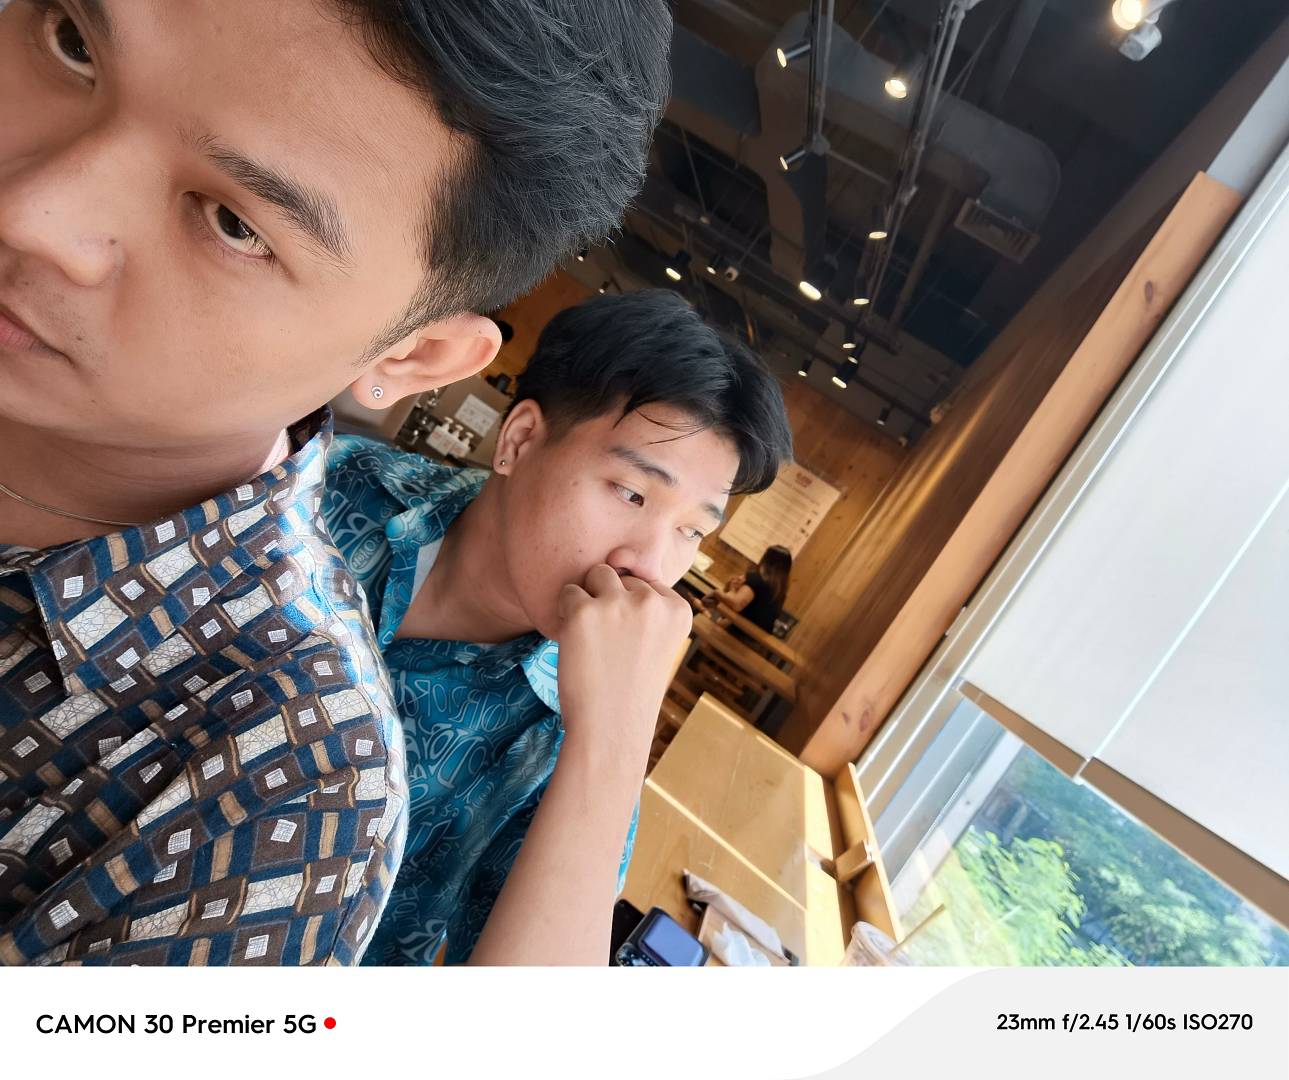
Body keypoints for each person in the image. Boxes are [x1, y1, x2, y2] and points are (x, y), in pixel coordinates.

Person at [0, 0, 671, 965]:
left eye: (234, 224)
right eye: (73, 43)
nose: (33, 215)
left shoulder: (280, 795)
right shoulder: (376, 491)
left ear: (413, 356)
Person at [323, 290, 794, 965]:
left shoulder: (573, 734)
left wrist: (618, 733)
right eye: (632, 493)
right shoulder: (332, 487)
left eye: (691, 531)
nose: (649, 566)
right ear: (519, 440)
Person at [703, 545, 793, 634]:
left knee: (702, 613)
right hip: (757, 639)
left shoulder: (757, 579)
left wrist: (717, 593)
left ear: (765, 559)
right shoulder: (780, 593)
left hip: (739, 633)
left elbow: (736, 604)